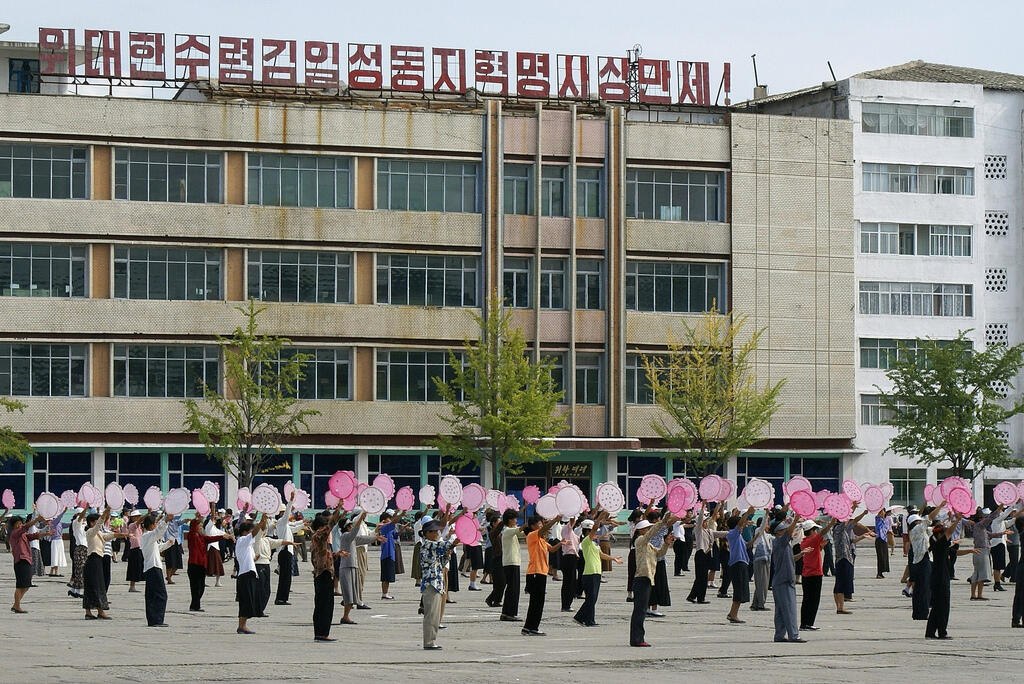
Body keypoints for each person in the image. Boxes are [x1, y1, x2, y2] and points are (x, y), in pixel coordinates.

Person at [928, 510, 978, 638]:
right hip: (941, 577)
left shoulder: (937, 543)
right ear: (940, 535)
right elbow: (949, 532)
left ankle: (930, 632)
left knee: (937, 607)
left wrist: (970, 551)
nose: (948, 535)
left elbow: (954, 552)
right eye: (944, 533)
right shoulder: (939, 543)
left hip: (937, 577)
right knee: (943, 606)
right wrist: (957, 520)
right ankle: (942, 632)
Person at [629, 514, 675, 647]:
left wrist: (666, 544)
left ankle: (637, 638)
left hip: (648, 578)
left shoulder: (648, 545)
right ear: (640, 530)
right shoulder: (640, 541)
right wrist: (663, 522)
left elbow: (659, 553)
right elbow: (651, 534)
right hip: (641, 578)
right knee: (640, 610)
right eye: (647, 528)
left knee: (641, 610)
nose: (649, 530)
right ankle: (637, 639)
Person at [420, 515, 462, 650]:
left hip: (437, 583)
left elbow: (442, 563)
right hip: (431, 584)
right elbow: (441, 544)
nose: (437, 533)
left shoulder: (433, 546)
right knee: (431, 615)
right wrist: (452, 543)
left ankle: (431, 640)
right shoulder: (427, 544)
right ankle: (429, 642)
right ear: (427, 533)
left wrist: (448, 553)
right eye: (434, 531)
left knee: (435, 614)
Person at [574, 513, 623, 627]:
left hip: (596, 572)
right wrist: (600, 517)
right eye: (593, 531)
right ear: (587, 531)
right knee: (591, 598)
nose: (596, 533)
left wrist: (613, 558)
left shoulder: (595, 544)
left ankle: (582, 618)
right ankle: (587, 620)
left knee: (593, 598)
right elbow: (595, 528)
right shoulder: (586, 541)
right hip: (589, 573)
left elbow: (602, 555)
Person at [337, 510, 382, 625]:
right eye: (350, 525)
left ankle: (346, 616)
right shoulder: (346, 536)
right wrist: (361, 516)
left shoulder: (351, 538)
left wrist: (375, 538)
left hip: (352, 567)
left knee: (352, 593)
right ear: (346, 527)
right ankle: (345, 616)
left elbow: (362, 539)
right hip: (346, 567)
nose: (352, 526)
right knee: (348, 593)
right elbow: (355, 532)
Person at [522, 514, 563, 636]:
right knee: (537, 602)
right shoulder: (532, 536)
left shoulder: (542, 540)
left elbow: (552, 549)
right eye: (540, 523)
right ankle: (533, 627)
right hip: (535, 572)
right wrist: (555, 520)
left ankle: (528, 627)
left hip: (541, 573)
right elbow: (543, 530)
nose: (542, 525)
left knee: (536, 602)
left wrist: (562, 543)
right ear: (533, 526)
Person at [84, 507, 126, 619]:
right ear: (92, 523)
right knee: (95, 586)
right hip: (92, 560)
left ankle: (91, 611)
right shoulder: (90, 532)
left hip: (97, 560)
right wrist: (105, 512)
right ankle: (98, 611)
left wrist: (123, 535)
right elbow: (98, 525)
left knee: (95, 585)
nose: (99, 524)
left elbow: (110, 536)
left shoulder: (100, 534)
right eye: (96, 521)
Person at [771, 510, 806, 643]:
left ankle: (779, 635)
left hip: (781, 580)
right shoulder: (780, 541)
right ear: (779, 532)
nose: (787, 531)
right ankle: (793, 635)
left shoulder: (784, 544)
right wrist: (795, 519)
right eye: (784, 530)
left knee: (780, 610)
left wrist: (801, 554)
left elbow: (790, 559)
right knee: (790, 609)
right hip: (784, 581)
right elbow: (789, 532)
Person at [311, 505, 345, 642]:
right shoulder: (319, 535)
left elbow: (324, 555)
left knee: (323, 604)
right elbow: (330, 524)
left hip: (324, 572)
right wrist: (338, 509)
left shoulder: (321, 539)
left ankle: (321, 633)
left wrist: (337, 554)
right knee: (324, 605)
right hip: (323, 574)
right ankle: (322, 633)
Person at [253, 512, 297, 616]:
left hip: (266, 565)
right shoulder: (256, 539)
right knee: (260, 589)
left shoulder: (267, 540)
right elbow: (260, 529)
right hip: (258, 564)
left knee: (266, 590)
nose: (265, 531)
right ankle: (257, 610)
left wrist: (291, 543)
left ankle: (260, 610)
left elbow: (279, 542)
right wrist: (263, 519)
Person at [799, 517, 836, 631]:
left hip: (807, 574)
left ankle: (806, 623)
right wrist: (831, 524)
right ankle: (808, 623)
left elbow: (816, 549)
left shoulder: (804, 542)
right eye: (815, 530)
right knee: (813, 600)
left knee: (807, 600)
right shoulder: (812, 540)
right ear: (811, 530)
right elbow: (823, 533)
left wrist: (821, 546)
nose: (816, 532)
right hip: (814, 574)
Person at [185, 515, 229, 612]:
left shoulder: (202, 537)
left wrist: (222, 536)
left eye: (201, 526)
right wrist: (198, 518)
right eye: (199, 526)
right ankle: (195, 606)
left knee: (201, 587)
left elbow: (210, 539)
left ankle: (194, 605)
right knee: (195, 587)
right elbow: (193, 532)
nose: (201, 527)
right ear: (194, 527)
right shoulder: (192, 536)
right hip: (194, 565)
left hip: (202, 565)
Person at [833, 509, 872, 614]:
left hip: (846, 558)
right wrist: (851, 508)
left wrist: (862, 537)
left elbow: (852, 541)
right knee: (840, 584)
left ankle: (840, 607)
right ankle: (840, 608)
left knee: (841, 583)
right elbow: (851, 520)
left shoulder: (844, 531)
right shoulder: (838, 529)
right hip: (843, 559)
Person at [8, 512, 49, 613]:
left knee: (26, 585)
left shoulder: (22, 534)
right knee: (20, 585)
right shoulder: (15, 533)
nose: (20, 525)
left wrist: (46, 534)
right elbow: (25, 527)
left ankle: (15, 605)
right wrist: (36, 520)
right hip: (21, 560)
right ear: (13, 525)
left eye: (20, 523)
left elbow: (33, 536)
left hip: (26, 559)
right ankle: (17, 606)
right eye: (18, 523)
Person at [967, 506, 1009, 601]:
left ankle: (973, 594)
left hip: (979, 551)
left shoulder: (981, 528)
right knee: (982, 574)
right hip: (982, 551)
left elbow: (991, 535)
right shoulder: (980, 526)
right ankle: (979, 595)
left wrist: (1002, 533)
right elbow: (990, 518)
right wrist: (998, 509)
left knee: (976, 574)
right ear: (981, 519)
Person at [140, 512, 174, 627]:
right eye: (155, 523)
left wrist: (168, 544)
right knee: (160, 594)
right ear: (150, 525)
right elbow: (158, 532)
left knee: (152, 595)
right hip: (153, 567)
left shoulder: (147, 538)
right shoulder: (147, 536)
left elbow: (157, 548)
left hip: (151, 567)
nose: (156, 525)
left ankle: (153, 619)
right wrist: (166, 521)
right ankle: (157, 619)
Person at [725, 506, 757, 624]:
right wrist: (748, 513)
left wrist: (755, 538)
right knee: (738, 591)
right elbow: (740, 524)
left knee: (742, 590)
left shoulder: (738, 536)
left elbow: (747, 546)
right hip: (737, 564)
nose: (743, 526)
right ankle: (733, 614)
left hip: (742, 563)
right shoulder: (732, 533)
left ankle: (733, 613)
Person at [686, 503, 720, 605]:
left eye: (706, 522)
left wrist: (732, 533)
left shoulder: (709, 531)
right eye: (705, 522)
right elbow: (700, 520)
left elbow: (719, 533)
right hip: (701, 554)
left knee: (702, 577)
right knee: (702, 577)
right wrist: (702, 508)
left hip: (707, 555)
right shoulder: (699, 531)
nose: (706, 523)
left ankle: (692, 596)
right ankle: (700, 598)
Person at [499, 509, 525, 622]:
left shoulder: (510, 530)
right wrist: (529, 524)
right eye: (514, 518)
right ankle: (510, 613)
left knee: (511, 589)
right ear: (509, 520)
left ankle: (506, 612)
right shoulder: (507, 530)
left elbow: (522, 533)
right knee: (513, 589)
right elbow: (520, 530)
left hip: (512, 562)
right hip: (511, 562)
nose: (516, 520)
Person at [234, 520, 259, 634]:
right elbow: (255, 533)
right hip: (245, 574)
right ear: (245, 532)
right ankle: (242, 626)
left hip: (249, 573)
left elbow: (250, 558)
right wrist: (262, 520)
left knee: (248, 600)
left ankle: (243, 625)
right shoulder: (242, 540)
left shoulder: (247, 545)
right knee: (245, 601)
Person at [275, 492, 299, 605]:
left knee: (287, 576)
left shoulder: (285, 525)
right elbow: (287, 515)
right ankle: (281, 598)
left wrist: (304, 524)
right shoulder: (281, 521)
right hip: (284, 551)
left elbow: (294, 528)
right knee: (285, 576)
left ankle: (283, 597)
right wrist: (291, 501)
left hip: (287, 551)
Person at [750, 513, 772, 612]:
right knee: (761, 583)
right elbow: (762, 526)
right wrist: (766, 515)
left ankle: (755, 603)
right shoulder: (758, 531)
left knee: (764, 583)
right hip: (760, 559)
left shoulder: (768, 535)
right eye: (768, 523)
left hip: (766, 560)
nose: (768, 525)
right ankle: (761, 604)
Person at [559, 513, 581, 611]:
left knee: (571, 581)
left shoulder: (572, 533)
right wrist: (573, 511)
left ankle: (568, 603)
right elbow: (572, 521)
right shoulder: (566, 529)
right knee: (568, 582)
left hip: (573, 557)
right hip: (568, 557)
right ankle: (566, 605)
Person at [67, 508, 89, 599]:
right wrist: (86, 507)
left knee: (81, 571)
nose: (83, 516)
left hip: (86, 548)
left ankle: (73, 591)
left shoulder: (85, 524)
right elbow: (80, 517)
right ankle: (78, 591)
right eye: (81, 514)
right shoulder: (76, 523)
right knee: (80, 570)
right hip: (80, 548)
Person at [378, 510, 400, 600]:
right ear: (383, 520)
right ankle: (384, 593)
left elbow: (396, 535)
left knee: (388, 576)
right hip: (387, 554)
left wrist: (403, 528)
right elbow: (394, 521)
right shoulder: (384, 527)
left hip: (390, 554)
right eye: (388, 519)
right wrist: (400, 514)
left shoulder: (389, 529)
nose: (390, 520)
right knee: (385, 576)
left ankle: (385, 593)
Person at [205, 512, 227, 588]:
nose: (215, 520)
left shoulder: (214, 528)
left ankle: (217, 582)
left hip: (216, 548)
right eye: (214, 519)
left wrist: (230, 536)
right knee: (208, 565)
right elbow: (212, 518)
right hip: (211, 547)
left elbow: (221, 533)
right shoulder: (208, 526)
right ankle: (204, 581)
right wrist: (213, 507)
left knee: (218, 564)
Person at [125, 510, 144, 592]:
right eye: (137, 516)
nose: (139, 518)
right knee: (133, 567)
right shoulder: (132, 525)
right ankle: (132, 586)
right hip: (134, 549)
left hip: (139, 548)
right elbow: (139, 521)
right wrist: (147, 513)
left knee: (138, 567)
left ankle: (133, 585)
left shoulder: (139, 526)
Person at [162, 515, 184, 585]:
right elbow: (162, 532)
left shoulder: (176, 522)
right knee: (170, 562)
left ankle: (169, 577)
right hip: (169, 543)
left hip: (177, 542)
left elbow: (182, 521)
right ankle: (169, 578)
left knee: (178, 562)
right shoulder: (165, 522)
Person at [874, 509, 892, 579]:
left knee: (884, 556)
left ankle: (881, 572)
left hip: (884, 539)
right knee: (880, 556)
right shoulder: (878, 518)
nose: (881, 513)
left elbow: (886, 529)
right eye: (880, 512)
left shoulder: (886, 520)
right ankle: (879, 573)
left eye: (882, 511)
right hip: (879, 539)